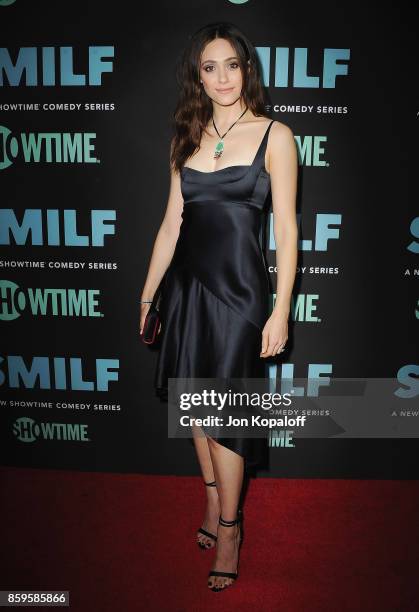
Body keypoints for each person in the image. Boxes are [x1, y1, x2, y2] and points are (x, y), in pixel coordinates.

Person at [140, 22, 298, 592]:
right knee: (196, 411)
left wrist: (280, 310)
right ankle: (212, 503)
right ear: (197, 76)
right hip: (186, 290)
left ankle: (230, 528)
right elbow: (170, 225)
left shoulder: (275, 134)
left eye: (232, 64)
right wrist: (148, 293)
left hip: (241, 295)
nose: (222, 77)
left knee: (226, 415)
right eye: (210, 67)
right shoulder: (185, 136)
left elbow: (286, 227)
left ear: (246, 70)